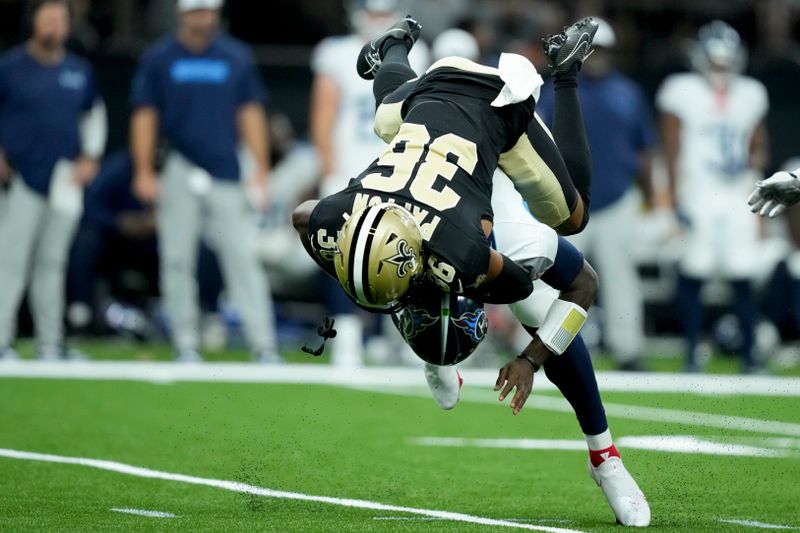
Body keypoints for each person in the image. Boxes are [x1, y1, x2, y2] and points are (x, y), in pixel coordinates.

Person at [294, 16, 595, 319]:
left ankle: (565, 72)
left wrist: (438, 283)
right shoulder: (340, 214)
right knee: (386, 119)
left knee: (573, 218)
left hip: (497, 105)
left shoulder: (456, 246)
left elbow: (519, 286)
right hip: (429, 89)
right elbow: (304, 216)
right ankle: (394, 46)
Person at [130, 0, 279, 362]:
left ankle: (264, 344)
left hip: (226, 168)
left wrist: (260, 168)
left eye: (208, 10)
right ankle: (185, 342)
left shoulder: (235, 56)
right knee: (177, 258)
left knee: (242, 258)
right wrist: (144, 171)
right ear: (183, 13)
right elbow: (145, 114)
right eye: (196, 10)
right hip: (180, 164)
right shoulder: (160, 57)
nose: (202, 16)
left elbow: (251, 112)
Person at [538, 17, 655, 371]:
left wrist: (655, 199)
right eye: (591, 49)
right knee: (550, 278)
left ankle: (627, 350)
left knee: (621, 280)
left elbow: (645, 150)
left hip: (616, 200)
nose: (595, 56)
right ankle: (539, 346)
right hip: (565, 204)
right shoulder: (555, 89)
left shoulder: (628, 93)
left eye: (601, 49)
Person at [657, 20, 769, 373]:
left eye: (726, 61)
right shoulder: (681, 89)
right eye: (715, 61)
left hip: (737, 192)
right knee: (695, 269)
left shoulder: (750, 92)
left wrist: (757, 181)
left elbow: (757, 145)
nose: (721, 69)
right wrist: (674, 199)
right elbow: (671, 147)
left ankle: (750, 355)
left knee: (742, 271)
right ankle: (693, 350)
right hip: (699, 191)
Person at [0, 0, 107, 361]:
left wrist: (90, 158)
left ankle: (49, 342)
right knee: (10, 260)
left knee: (52, 262)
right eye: (47, 19)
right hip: (20, 178)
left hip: (63, 181)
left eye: (59, 20)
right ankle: (2, 340)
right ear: (34, 22)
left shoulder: (78, 71)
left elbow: (94, 116)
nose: (53, 26)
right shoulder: (11, 67)